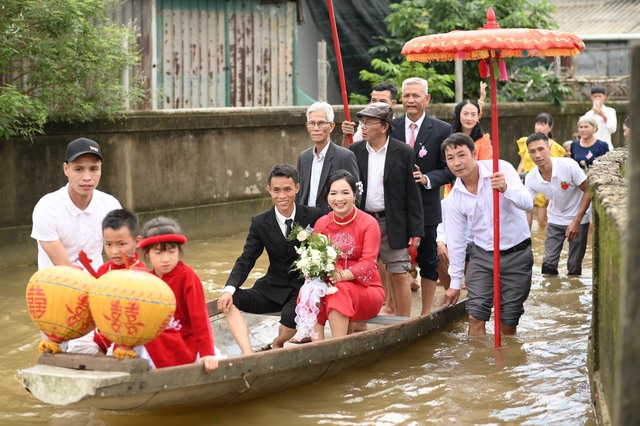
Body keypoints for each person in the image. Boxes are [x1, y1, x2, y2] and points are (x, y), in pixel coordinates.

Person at [218, 164, 322, 354]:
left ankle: (277, 342)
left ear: (297, 188)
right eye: (276, 190)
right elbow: (246, 259)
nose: (282, 196)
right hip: (271, 288)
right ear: (269, 191)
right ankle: (248, 353)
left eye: (287, 189)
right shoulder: (259, 222)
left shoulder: (314, 215)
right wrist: (228, 289)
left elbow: (325, 251)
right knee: (229, 300)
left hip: (302, 290)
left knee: (290, 318)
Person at [441, 133, 533, 336]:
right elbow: (456, 243)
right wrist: (455, 284)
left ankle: (505, 366)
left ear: (474, 154)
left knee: (508, 320)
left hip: (517, 253)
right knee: (475, 315)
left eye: (462, 155)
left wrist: (506, 189)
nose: (457, 163)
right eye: (450, 158)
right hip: (482, 256)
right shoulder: (454, 199)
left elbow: (528, 203)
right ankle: (479, 366)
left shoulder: (501, 169)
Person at [348, 103, 424, 317]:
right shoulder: (355, 151)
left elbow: (412, 193)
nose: (362, 127)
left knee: (399, 273)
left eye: (368, 122)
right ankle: (361, 319)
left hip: (393, 222)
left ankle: (404, 322)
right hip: (362, 222)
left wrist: (415, 229)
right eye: (361, 122)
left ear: (384, 127)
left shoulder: (404, 152)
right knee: (359, 273)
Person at [391, 77, 454, 316]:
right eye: (406, 96)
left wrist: (427, 179)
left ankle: (425, 312)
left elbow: (449, 169)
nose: (410, 100)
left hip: (426, 205)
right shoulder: (391, 127)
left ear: (426, 99)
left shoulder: (442, 130)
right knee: (394, 258)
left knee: (428, 258)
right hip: (396, 206)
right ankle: (398, 311)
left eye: (416, 96)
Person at [312, 170, 385, 339]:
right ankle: (317, 348)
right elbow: (317, 260)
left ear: (354, 195)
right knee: (311, 290)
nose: (339, 198)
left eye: (345, 192)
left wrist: (341, 276)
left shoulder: (369, 223)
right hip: (332, 283)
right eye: (333, 193)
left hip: (367, 290)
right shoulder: (322, 224)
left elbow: (368, 262)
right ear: (327, 197)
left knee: (338, 290)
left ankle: (338, 345)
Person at [140, 217, 218, 373]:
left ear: (179, 251)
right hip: (157, 341)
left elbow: (200, 318)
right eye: (158, 253)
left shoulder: (187, 276)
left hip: (184, 341)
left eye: (171, 251)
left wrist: (207, 353)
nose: (166, 259)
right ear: (147, 255)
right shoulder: (146, 280)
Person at [31, 137, 122, 271]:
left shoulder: (111, 206)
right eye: (78, 169)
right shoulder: (47, 208)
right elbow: (66, 268)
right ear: (66, 169)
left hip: (96, 286)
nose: (87, 177)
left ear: (101, 169)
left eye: (93, 169)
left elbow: (121, 252)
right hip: (56, 286)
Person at [66, 208, 146, 354]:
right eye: (108, 244)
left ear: (137, 242)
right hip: (103, 330)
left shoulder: (142, 276)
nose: (114, 251)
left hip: (127, 334)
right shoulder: (104, 269)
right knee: (75, 346)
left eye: (121, 244)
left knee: (115, 354)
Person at [525, 133, 592, 276]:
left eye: (541, 149)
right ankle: (551, 295)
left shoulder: (568, 166)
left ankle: (573, 295)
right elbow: (527, 208)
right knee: (548, 266)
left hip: (579, 217)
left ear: (549, 148)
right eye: (532, 151)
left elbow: (588, 191)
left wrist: (577, 220)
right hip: (555, 218)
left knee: (574, 267)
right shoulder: (531, 178)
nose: (537, 155)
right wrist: (525, 236)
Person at [296, 102, 359, 214]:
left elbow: (356, 195)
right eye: (312, 123)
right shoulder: (304, 157)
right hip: (306, 223)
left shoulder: (345, 156)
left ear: (331, 126)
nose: (316, 128)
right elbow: (299, 193)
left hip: (333, 220)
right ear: (307, 127)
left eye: (321, 123)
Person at [516, 113, 566, 229]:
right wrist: (517, 177)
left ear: (550, 127)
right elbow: (522, 162)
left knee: (543, 222)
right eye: (537, 124)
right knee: (524, 214)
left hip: (545, 185)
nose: (539, 127)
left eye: (543, 124)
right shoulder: (526, 142)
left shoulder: (555, 147)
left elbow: (557, 169)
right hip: (528, 181)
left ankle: (545, 243)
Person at [341, 82, 398, 146]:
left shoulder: (400, 127)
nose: (376, 105)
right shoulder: (363, 126)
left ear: (393, 103)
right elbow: (350, 151)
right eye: (373, 100)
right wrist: (346, 136)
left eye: (382, 101)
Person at [584, 86, 617, 151]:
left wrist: (603, 116)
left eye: (599, 96)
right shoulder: (588, 114)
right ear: (591, 98)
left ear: (604, 97)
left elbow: (613, 129)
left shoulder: (611, 111)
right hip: (591, 148)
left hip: (607, 146)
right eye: (595, 96)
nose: (597, 98)